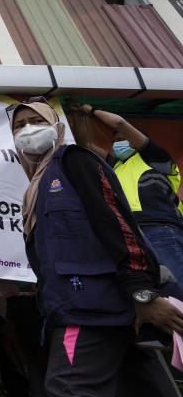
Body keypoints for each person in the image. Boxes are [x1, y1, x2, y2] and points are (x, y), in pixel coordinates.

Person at [8, 98, 183, 397]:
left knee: (69, 387)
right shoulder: (36, 189)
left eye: (36, 120)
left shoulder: (73, 162)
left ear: (56, 126)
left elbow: (117, 226)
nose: (28, 129)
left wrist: (142, 294)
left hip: (88, 309)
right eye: (19, 125)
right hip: (106, 309)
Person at [69, 102, 183, 282]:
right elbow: (86, 144)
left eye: (122, 139)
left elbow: (119, 123)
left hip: (159, 229)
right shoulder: (116, 165)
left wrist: (91, 111)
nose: (117, 144)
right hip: (128, 230)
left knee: (175, 287)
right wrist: (76, 114)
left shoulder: (156, 157)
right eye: (114, 141)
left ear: (138, 140)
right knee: (144, 288)